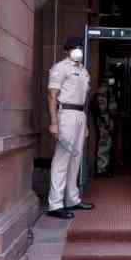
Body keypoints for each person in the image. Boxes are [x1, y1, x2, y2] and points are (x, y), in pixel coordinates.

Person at [46, 36, 95, 219]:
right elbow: (52, 96)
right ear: (67, 50)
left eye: (80, 47)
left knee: (76, 159)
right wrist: (54, 122)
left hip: (79, 115)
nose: (78, 50)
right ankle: (55, 204)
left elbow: (84, 98)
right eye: (75, 47)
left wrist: (86, 123)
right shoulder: (60, 68)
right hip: (65, 114)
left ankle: (72, 199)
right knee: (62, 159)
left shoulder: (83, 71)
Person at [94, 72, 116, 178]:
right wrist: (106, 123)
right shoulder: (103, 91)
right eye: (110, 78)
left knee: (107, 144)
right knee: (104, 144)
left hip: (107, 119)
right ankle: (101, 169)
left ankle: (104, 168)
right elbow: (102, 108)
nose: (112, 80)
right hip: (104, 120)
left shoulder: (108, 90)